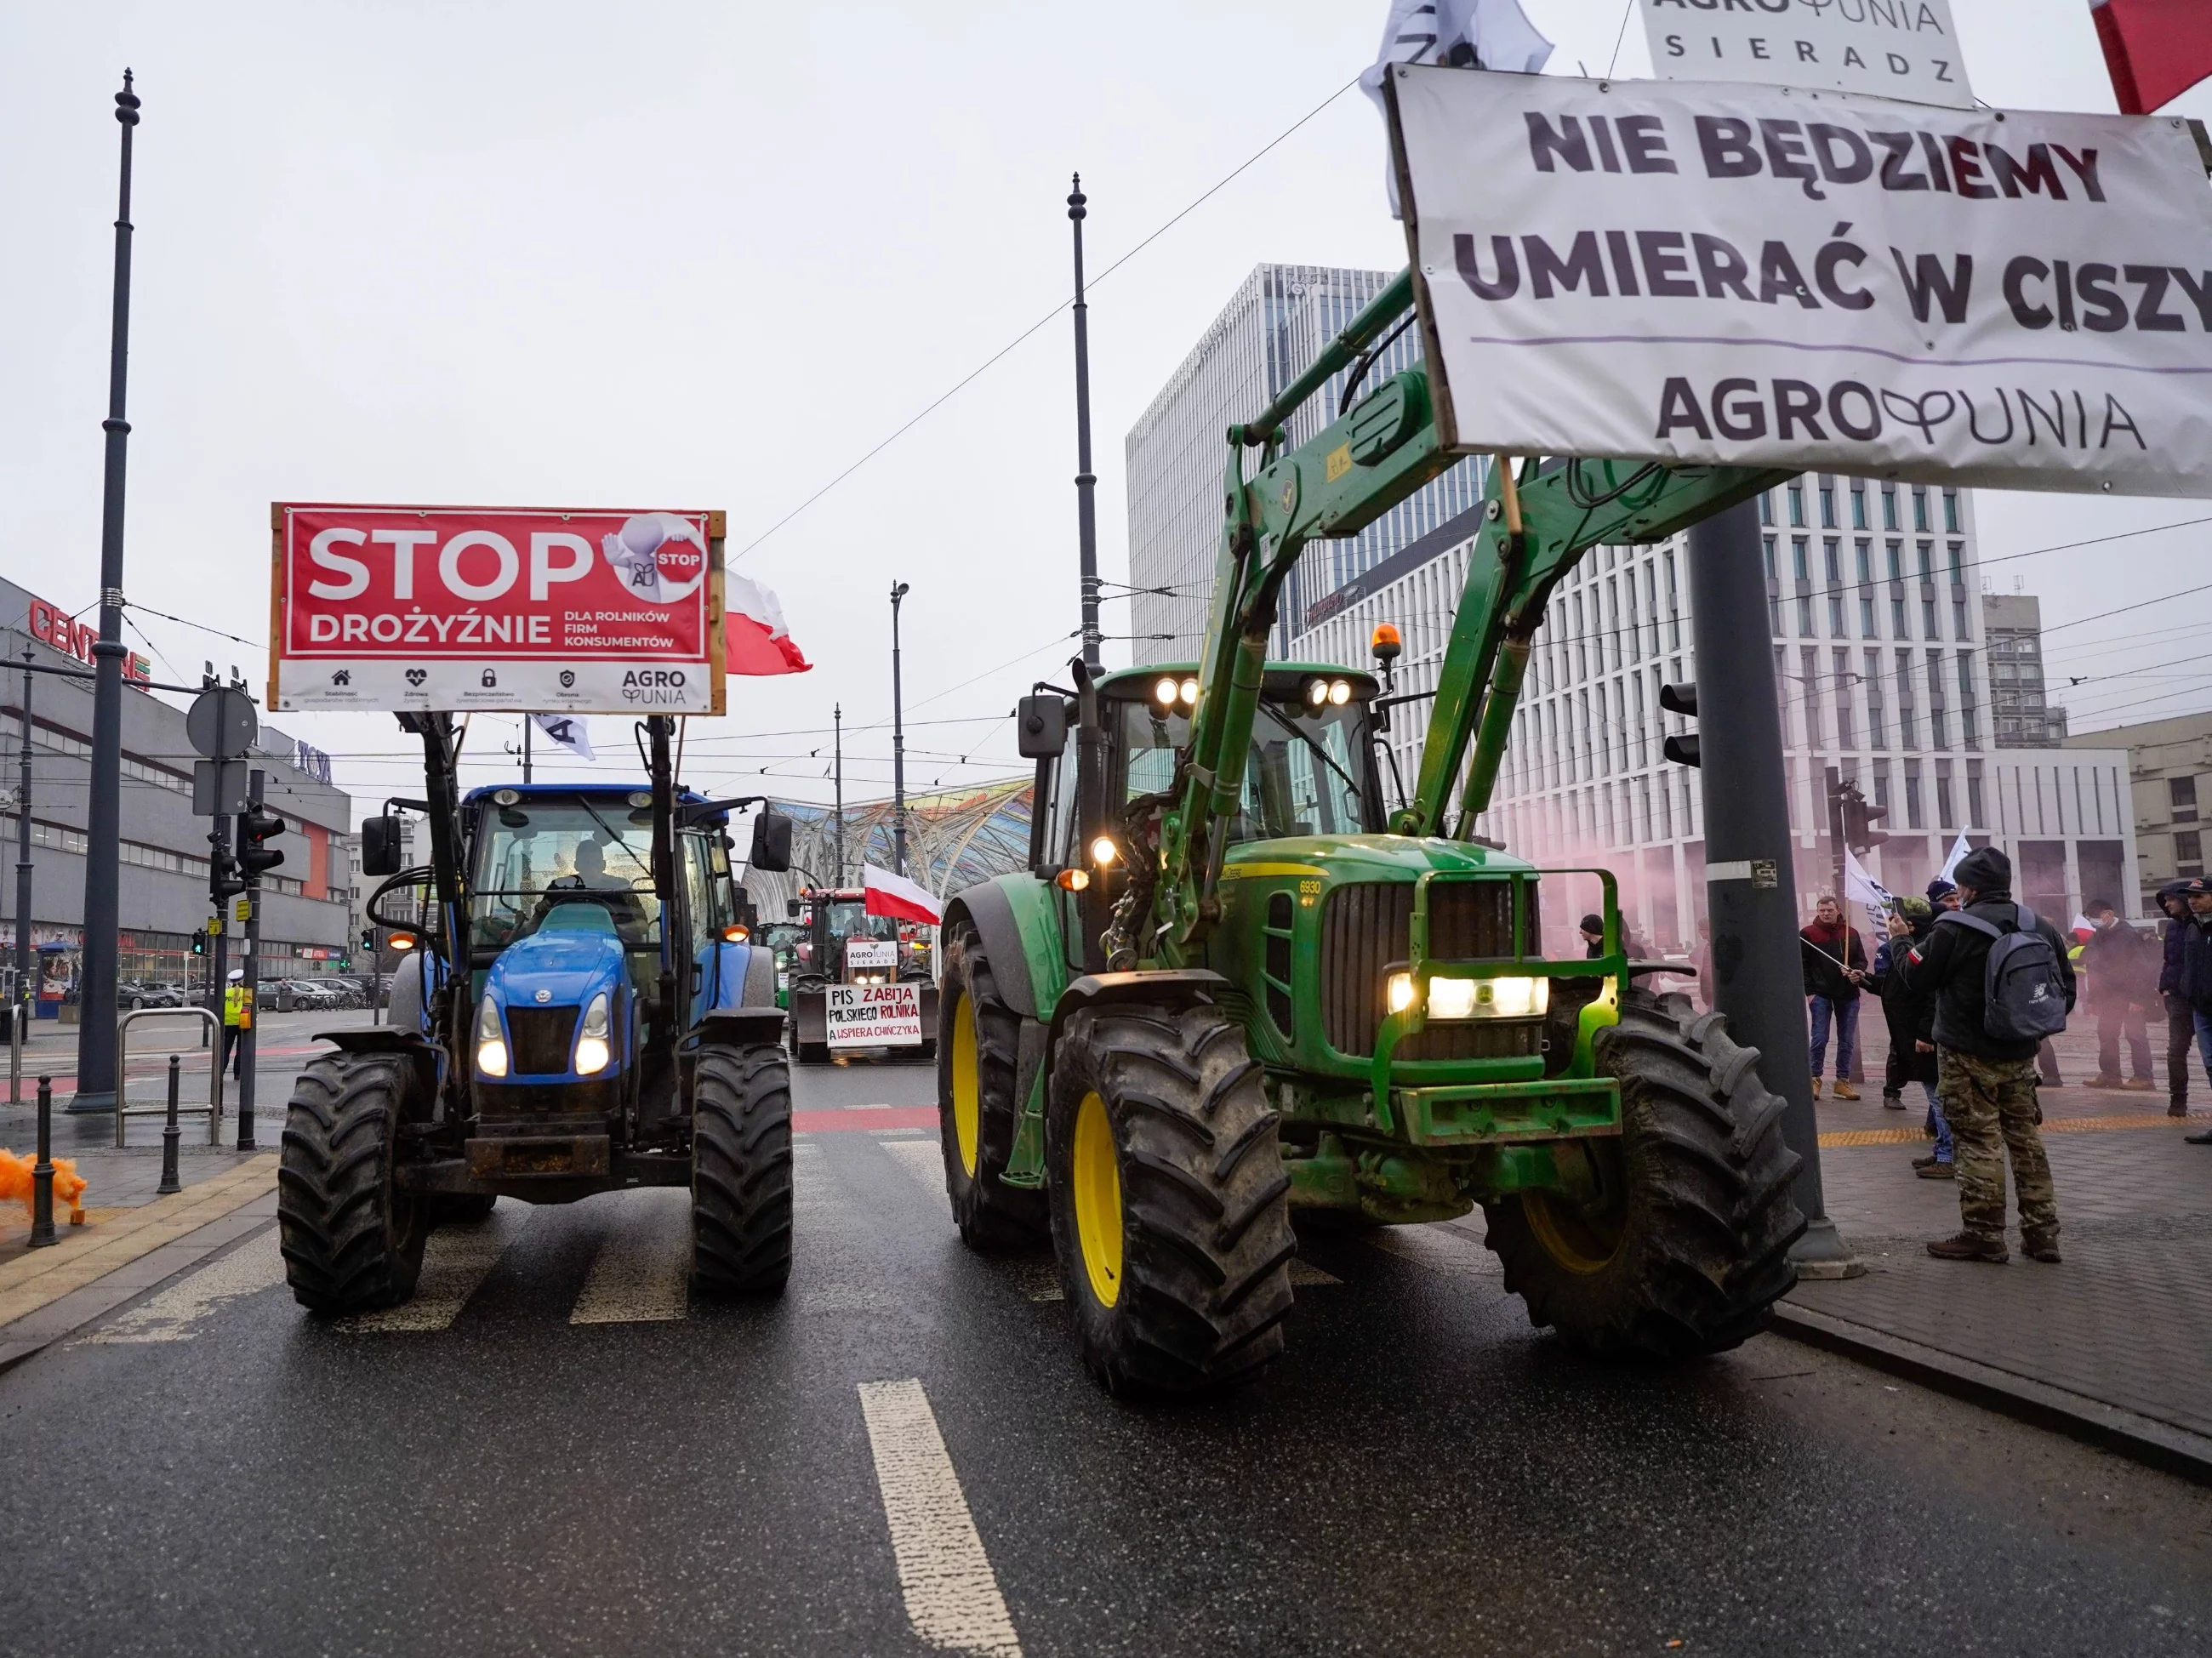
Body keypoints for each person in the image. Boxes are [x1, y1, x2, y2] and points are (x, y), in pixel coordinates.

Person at [1898, 846, 2074, 1262]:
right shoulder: (2038, 924)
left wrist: (1904, 940)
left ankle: (1983, 1234)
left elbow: (1915, 979)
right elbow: (2063, 990)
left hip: (1965, 1052)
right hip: (2020, 1053)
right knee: (2026, 1141)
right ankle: (2042, 1234)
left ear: (1969, 887)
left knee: (1977, 1142)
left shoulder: (1955, 926)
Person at [1872, 900, 1953, 1170]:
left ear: (1911, 924)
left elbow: (1934, 997)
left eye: (1895, 917)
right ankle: (1942, 1148)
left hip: (1925, 1040)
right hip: (1913, 1038)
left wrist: (1926, 1034)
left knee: (1938, 1099)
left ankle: (1948, 1156)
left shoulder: (1922, 948)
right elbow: (1899, 984)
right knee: (1935, 1096)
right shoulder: (1907, 946)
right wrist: (1867, 981)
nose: (1890, 920)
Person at [2076, 899, 2157, 1091]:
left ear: (2108, 914)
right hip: (2108, 997)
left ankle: (2144, 1077)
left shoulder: (2128, 935)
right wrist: (2093, 999)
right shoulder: (2099, 935)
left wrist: (2138, 998)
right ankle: (2110, 1074)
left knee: (2135, 1035)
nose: (2092, 922)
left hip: (2129, 996)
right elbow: (2094, 966)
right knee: (2106, 1034)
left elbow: (2141, 967)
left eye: (2094, 917)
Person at [1800, 893, 1868, 1099]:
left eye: (1829, 910)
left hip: (1848, 993)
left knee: (1847, 1040)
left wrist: (1855, 970)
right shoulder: (1807, 934)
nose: (1826, 913)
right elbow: (1802, 966)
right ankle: (1814, 1078)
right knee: (1819, 1038)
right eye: (1822, 910)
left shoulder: (1851, 933)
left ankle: (1842, 1081)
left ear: (1838, 910)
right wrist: (1810, 992)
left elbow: (1861, 961)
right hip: (1820, 993)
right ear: (1817, 912)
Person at [2175, 877, 2212, 1146]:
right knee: (2211, 1065)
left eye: (2199, 896)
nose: (2192, 900)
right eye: (2190, 896)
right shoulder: (2192, 927)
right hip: (2201, 1008)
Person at [2156, 880, 2194, 1120]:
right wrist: (2166, 988)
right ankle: (2178, 1100)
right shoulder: (2171, 927)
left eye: (2170, 899)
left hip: (2202, 997)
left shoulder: (2200, 924)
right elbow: (2169, 960)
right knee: (2176, 1050)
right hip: (2178, 998)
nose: (2167, 904)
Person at [220, 967, 248, 1080]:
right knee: (240, 1050)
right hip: (242, 1023)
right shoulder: (246, 992)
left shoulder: (225, 992)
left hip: (227, 1024)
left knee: (225, 1050)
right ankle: (237, 1073)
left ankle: (220, 1072)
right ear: (242, 980)